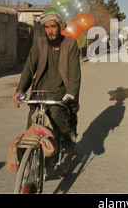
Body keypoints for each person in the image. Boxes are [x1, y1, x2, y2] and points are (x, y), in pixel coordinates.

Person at [12, 12, 81, 156]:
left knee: (56, 114)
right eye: (47, 27)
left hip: (61, 92)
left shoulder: (70, 44)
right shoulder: (40, 43)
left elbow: (75, 75)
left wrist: (71, 94)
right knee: (32, 123)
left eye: (53, 27)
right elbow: (29, 67)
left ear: (59, 27)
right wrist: (20, 90)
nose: (50, 31)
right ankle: (31, 166)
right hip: (40, 92)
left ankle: (67, 137)